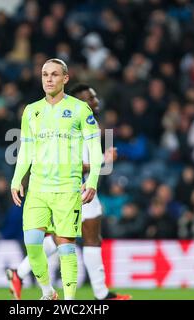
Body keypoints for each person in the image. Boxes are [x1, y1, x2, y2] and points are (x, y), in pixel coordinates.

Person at [8, 83, 131, 300]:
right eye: (91, 98)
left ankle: (20, 273)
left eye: (95, 97)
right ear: (81, 101)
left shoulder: (86, 122)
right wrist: (103, 160)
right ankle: (21, 274)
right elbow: (72, 162)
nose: (96, 101)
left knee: (81, 239)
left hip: (82, 187)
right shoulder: (72, 124)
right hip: (70, 188)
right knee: (69, 239)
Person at [10, 59, 103, 300]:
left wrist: (92, 181)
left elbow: (95, 149)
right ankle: (48, 292)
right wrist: (17, 178)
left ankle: (69, 302)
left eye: (54, 74)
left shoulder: (81, 110)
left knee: (66, 247)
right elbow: (26, 150)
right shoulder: (31, 111)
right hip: (38, 189)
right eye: (44, 74)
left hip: (67, 188)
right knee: (32, 244)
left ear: (65, 78)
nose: (49, 79)